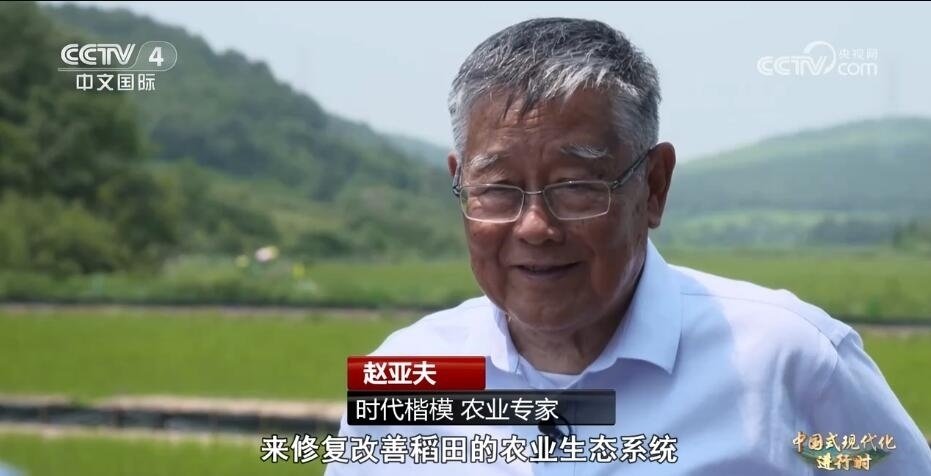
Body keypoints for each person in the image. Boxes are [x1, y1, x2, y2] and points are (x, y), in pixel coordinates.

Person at [326, 17, 931, 475]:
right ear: (460, 184)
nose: (535, 227)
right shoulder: (409, 377)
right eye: (498, 189)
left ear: (654, 187)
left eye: (576, 185)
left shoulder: (785, 360)